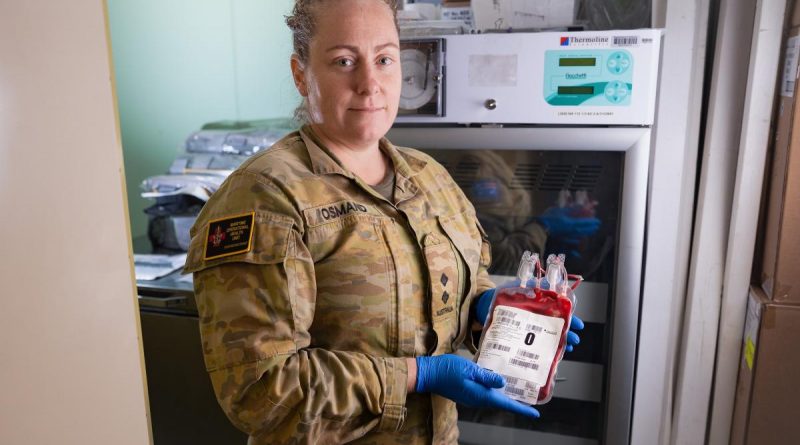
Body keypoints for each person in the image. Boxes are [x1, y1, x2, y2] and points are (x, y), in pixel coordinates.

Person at [183, 1, 582, 443]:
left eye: (385, 59)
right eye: (344, 61)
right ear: (301, 74)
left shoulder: (429, 176)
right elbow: (260, 393)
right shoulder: (265, 198)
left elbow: (462, 283)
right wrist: (417, 376)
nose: (370, 84)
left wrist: (495, 313)